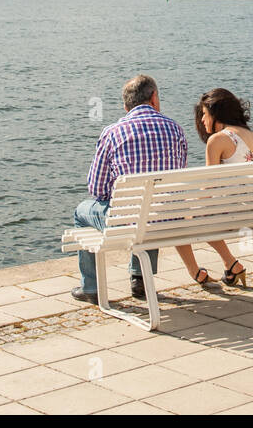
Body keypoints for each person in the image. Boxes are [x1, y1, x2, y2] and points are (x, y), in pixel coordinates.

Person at [72, 74, 187, 304]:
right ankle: (140, 280)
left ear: (126, 105)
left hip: (126, 221)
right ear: (154, 98)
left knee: (81, 212)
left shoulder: (113, 132)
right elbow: (178, 176)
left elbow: (97, 188)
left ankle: (91, 287)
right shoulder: (175, 130)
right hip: (167, 219)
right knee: (153, 203)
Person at [174, 88, 253, 289]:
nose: (203, 120)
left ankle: (196, 272)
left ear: (216, 114)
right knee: (192, 214)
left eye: (205, 114)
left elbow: (209, 188)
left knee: (177, 217)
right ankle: (231, 264)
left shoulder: (218, 140)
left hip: (235, 215)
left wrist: (188, 203)